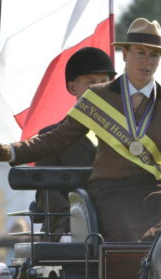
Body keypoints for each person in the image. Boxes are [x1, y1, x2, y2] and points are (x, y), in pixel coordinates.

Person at [0, 18, 161, 242]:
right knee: (130, 239)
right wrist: (11, 151)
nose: (147, 61)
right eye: (140, 52)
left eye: (154, 55)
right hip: (112, 191)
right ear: (125, 54)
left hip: (155, 189)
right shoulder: (97, 96)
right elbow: (57, 139)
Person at [33, 47, 116, 240]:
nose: (99, 88)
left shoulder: (125, 135)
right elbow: (45, 192)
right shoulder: (50, 136)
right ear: (72, 88)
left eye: (105, 82)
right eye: (90, 82)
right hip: (67, 232)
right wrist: (75, 219)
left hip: (118, 226)